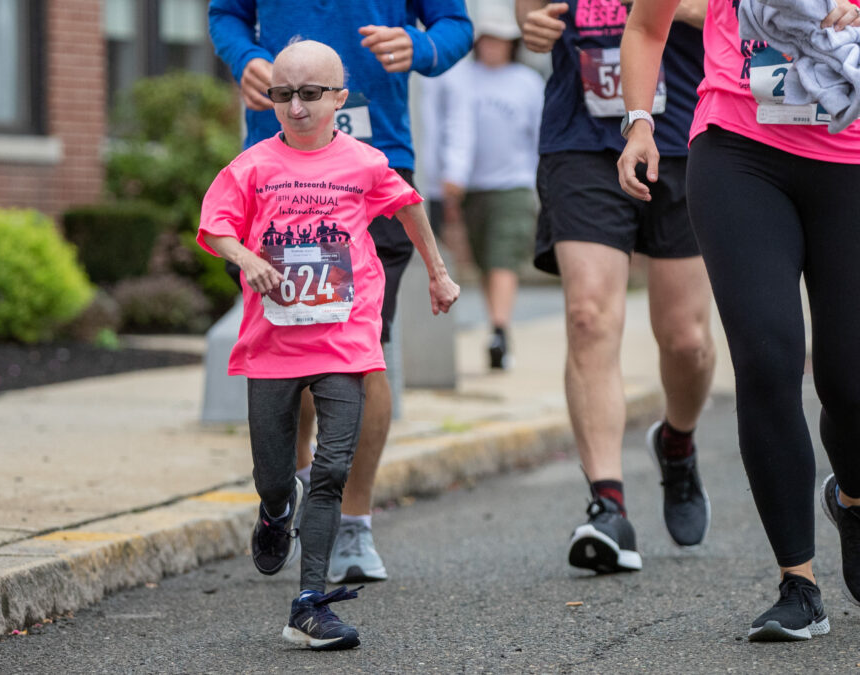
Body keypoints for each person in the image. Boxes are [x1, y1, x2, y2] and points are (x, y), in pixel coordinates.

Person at [198, 40, 459, 650]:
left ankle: (309, 604)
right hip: (273, 343)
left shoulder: (365, 162)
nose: (295, 106)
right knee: (274, 472)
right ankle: (272, 509)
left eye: (310, 94)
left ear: (339, 99)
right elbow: (214, 228)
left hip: (345, 339)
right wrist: (245, 258)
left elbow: (409, 207)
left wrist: (439, 272)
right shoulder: (253, 165)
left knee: (332, 469)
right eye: (282, 94)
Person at [618, 0, 860, 642]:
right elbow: (646, 24)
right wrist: (639, 123)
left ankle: (853, 502)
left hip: (852, 158)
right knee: (768, 358)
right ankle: (798, 586)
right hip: (739, 153)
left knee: (850, 381)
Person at [516, 0, 716, 573]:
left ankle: (677, 444)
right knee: (589, 315)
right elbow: (531, 14)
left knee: (687, 339)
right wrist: (528, 22)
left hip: (685, 135)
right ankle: (609, 505)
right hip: (581, 141)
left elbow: (732, 16)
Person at [438, 9, 544, 369]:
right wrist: (451, 177)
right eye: (486, 39)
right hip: (473, 187)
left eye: (499, 39)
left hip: (513, 185)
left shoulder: (527, 82)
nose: (492, 46)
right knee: (486, 260)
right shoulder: (463, 79)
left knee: (503, 257)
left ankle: (499, 330)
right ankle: (498, 326)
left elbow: (539, 136)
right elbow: (453, 131)